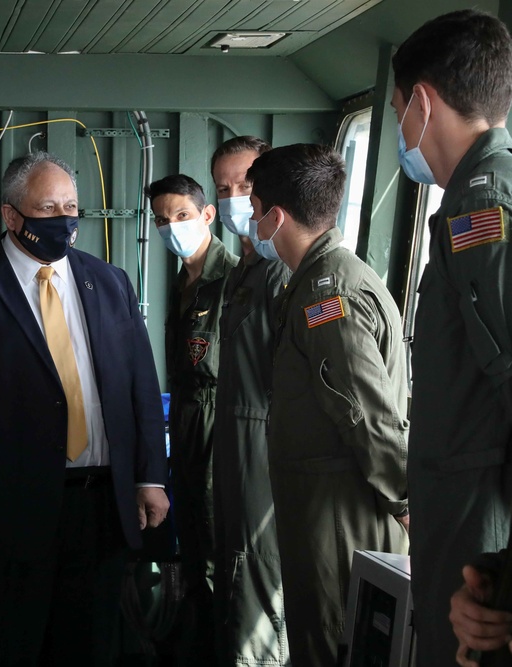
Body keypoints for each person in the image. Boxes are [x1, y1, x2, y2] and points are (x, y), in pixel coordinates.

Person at [0, 151, 169, 666]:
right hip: (5, 510)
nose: (64, 218)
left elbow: (140, 387)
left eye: (71, 205)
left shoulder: (110, 281)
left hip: (100, 505)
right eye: (48, 207)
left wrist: (150, 477)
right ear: (12, 216)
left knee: (88, 646)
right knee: (3, 645)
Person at [246, 143, 409, 666]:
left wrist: (407, 501)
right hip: (322, 508)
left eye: (253, 209)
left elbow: (367, 412)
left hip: (344, 514)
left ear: (277, 215)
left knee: (335, 643)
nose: (250, 221)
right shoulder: (316, 281)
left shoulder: (326, 294)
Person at [390, 11, 512, 667]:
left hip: (480, 539)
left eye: (396, 113)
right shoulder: (471, 200)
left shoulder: (482, 209)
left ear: (422, 103)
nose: (402, 135)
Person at [146, 173, 236, 665]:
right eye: (162, 220)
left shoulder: (234, 278)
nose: (171, 227)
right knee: (191, 541)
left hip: (218, 425)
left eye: (181, 215)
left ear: (206, 214)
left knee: (217, 551)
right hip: (183, 422)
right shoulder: (185, 280)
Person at [210, 136, 291, 667]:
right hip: (234, 450)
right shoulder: (241, 271)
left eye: (247, 186)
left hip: (267, 452)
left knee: (260, 587)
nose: (235, 197)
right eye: (224, 188)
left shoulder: (283, 272)